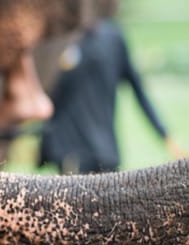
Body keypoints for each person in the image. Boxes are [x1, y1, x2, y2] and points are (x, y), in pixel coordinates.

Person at [38, 17, 185, 174]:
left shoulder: (75, 41)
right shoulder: (109, 39)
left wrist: (165, 135)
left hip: (85, 155)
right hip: (95, 154)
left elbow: (52, 98)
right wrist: (166, 137)